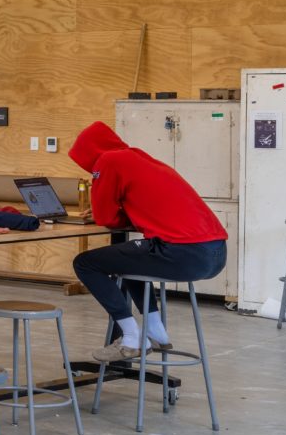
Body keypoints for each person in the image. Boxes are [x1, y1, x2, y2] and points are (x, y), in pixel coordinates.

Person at [66, 119, 228, 354]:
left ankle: (131, 337)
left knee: (85, 263)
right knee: (128, 257)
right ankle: (156, 331)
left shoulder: (107, 160)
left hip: (183, 253)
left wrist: (107, 212)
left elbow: (106, 218)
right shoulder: (140, 158)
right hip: (215, 252)